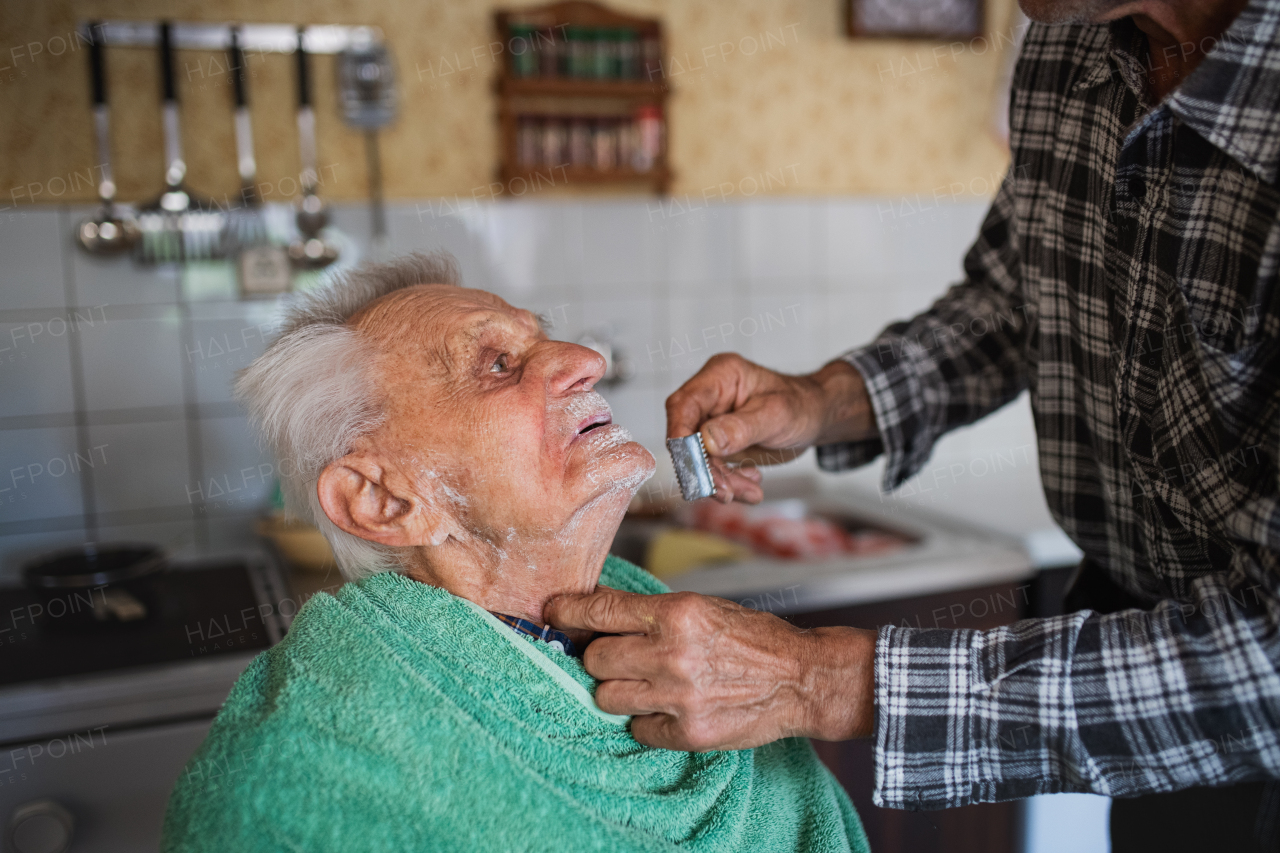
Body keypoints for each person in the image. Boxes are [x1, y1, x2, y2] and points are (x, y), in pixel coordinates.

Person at [544, 0, 1280, 849]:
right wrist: (825, 398)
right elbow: (1016, 298)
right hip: (1136, 636)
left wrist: (813, 681)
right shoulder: (1067, 32)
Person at [160, 252, 870, 853]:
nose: (587, 362)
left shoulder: (694, 641)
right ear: (383, 498)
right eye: (497, 364)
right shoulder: (291, 786)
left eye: (541, 341)